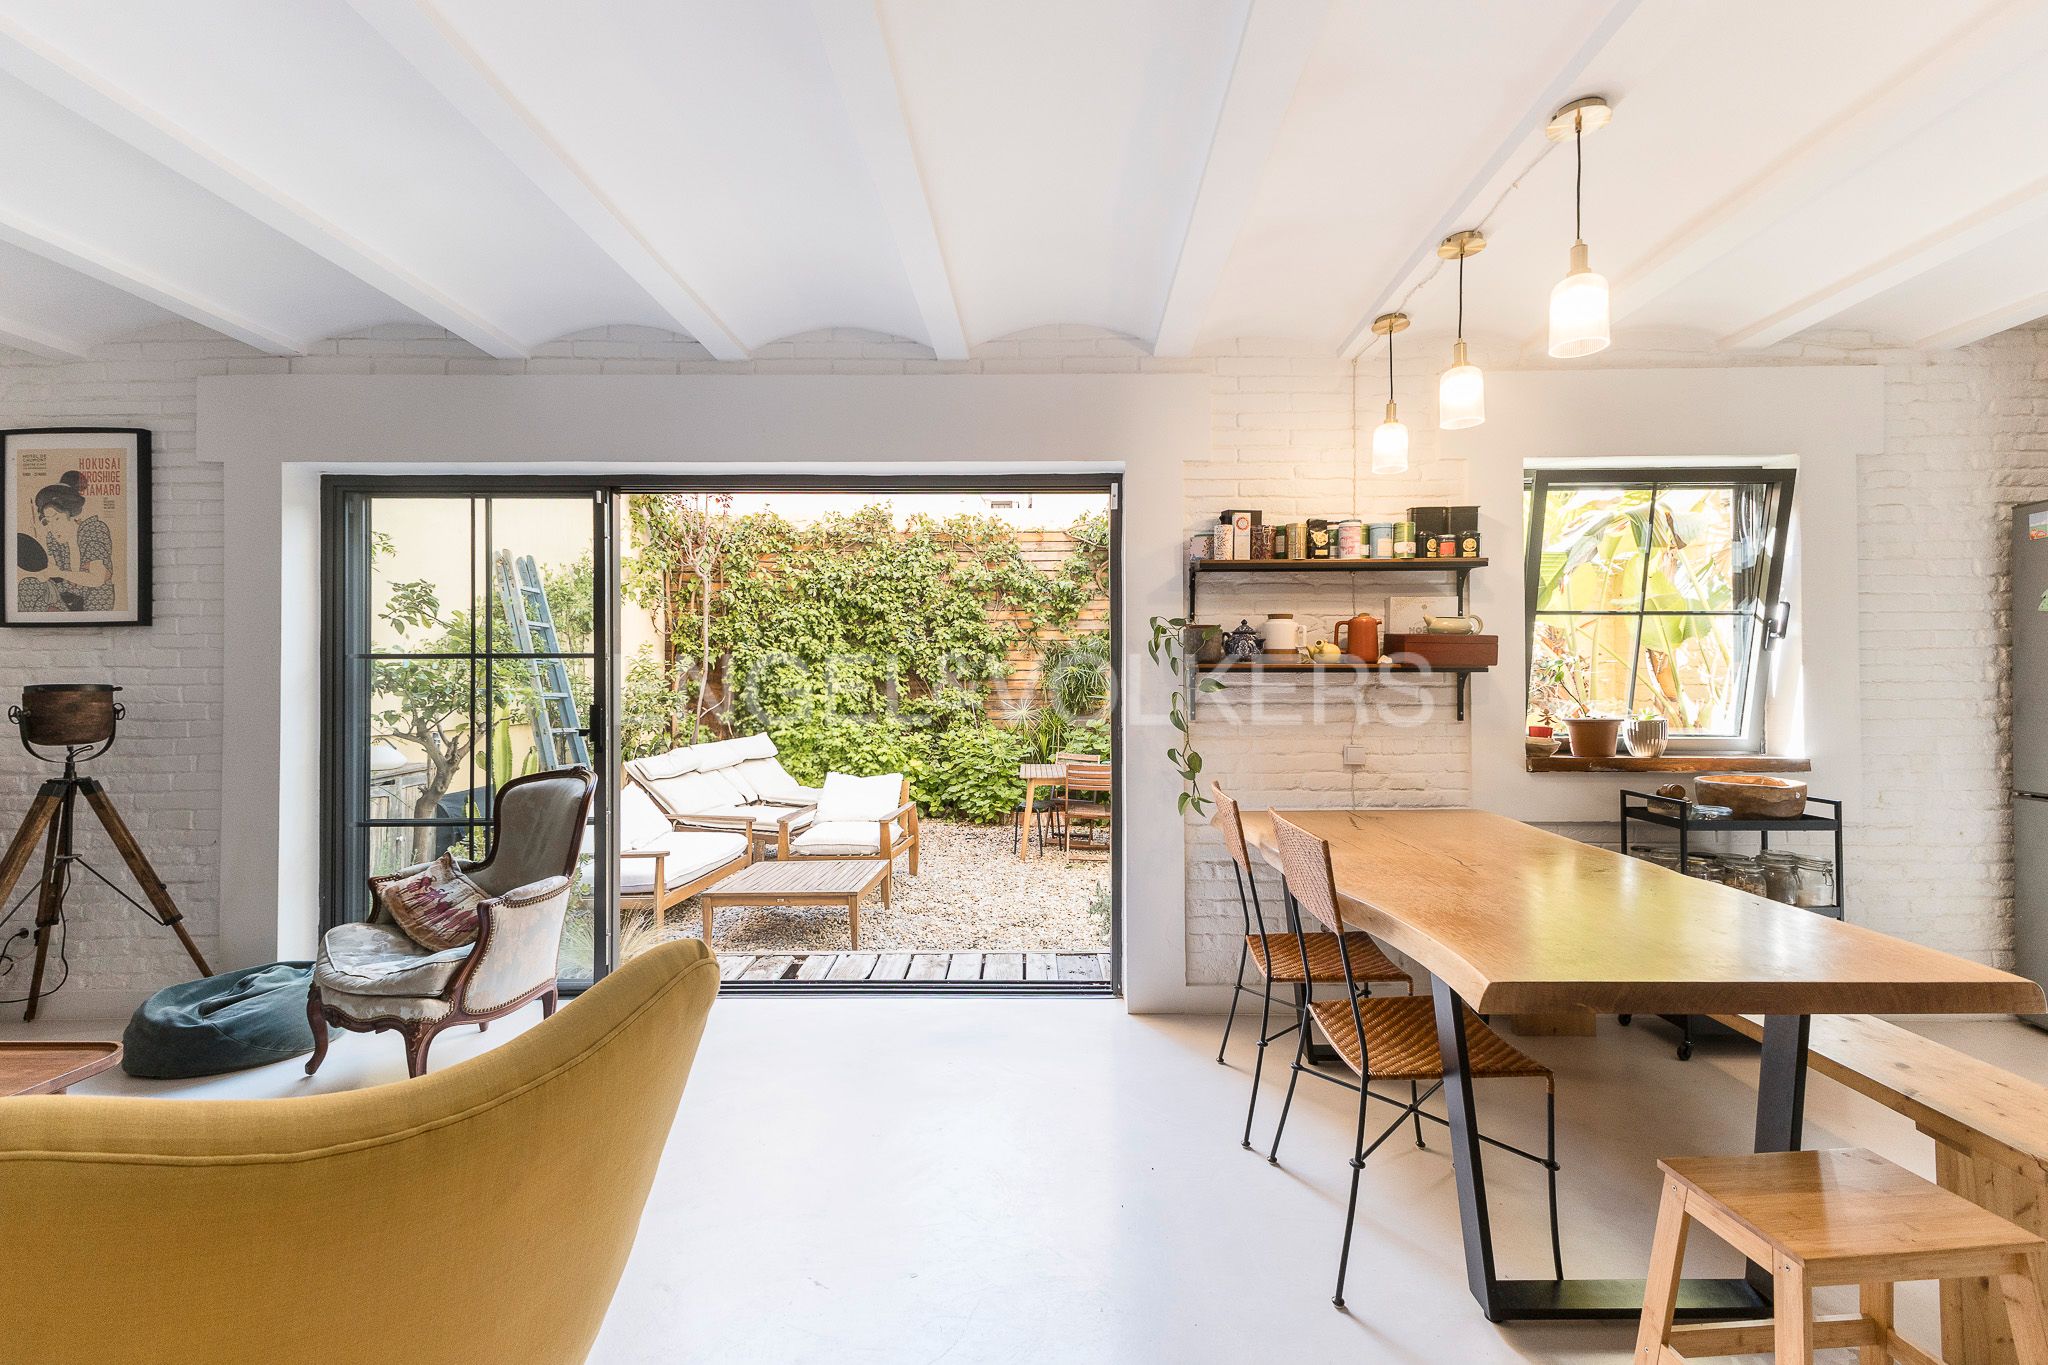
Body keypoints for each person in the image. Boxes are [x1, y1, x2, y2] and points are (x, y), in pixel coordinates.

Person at [17, 471, 114, 614]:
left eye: (57, 519)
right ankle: (57, 618)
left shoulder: (93, 529)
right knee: (27, 585)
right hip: (65, 598)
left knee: (97, 592)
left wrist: (59, 572)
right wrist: (48, 574)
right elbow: (57, 575)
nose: (53, 527)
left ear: (71, 515)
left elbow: (98, 579)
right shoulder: (54, 539)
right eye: (48, 521)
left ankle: (63, 617)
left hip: (94, 600)